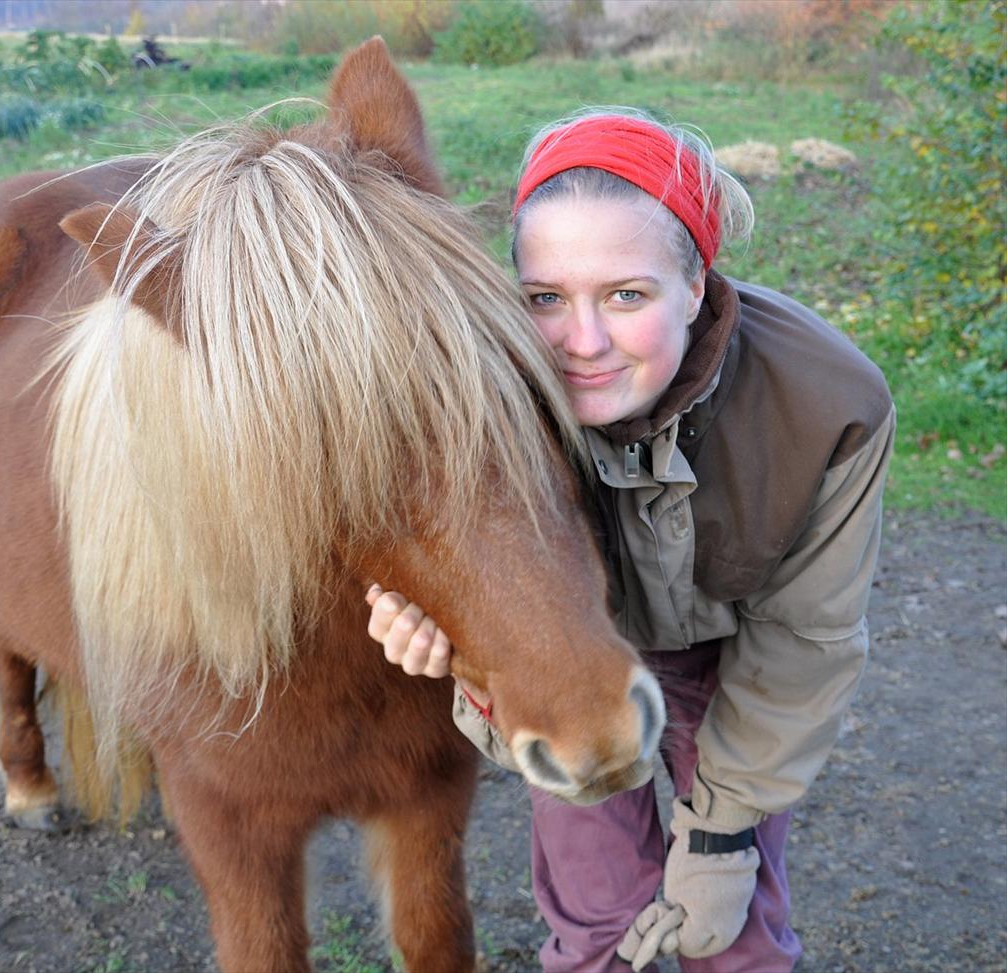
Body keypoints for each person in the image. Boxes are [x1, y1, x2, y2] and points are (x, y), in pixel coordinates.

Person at [365, 110, 894, 973]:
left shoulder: (828, 405)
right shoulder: (482, 393)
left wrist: (722, 834)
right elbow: (479, 585)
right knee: (597, 924)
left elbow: (806, 639)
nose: (583, 342)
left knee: (735, 932)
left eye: (627, 294)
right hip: (571, 665)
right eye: (544, 298)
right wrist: (455, 658)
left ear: (696, 282)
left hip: (741, 661)